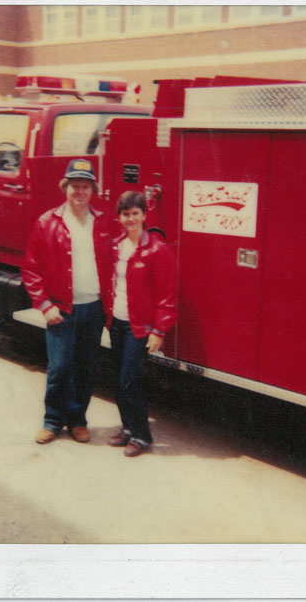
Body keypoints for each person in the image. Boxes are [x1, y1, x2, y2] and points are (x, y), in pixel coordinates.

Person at [21, 159, 111, 445]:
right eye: (74, 186)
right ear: (65, 188)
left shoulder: (104, 221)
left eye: (85, 186)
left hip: (93, 308)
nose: (79, 191)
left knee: (85, 368)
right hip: (62, 309)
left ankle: (77, 420)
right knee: (59, 368)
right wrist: (45, 305)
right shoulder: (48, 222)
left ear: (92, 190)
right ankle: (52, 421)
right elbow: (31, 268)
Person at [107, 191, 177, 457]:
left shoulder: (157, 250)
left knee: (130, 381)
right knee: (118, 379)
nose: (130, 218)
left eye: (135, 213)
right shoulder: (117, 246)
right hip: (117, 323)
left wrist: (159, 330)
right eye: (125, 214)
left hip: (140, 328)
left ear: (144, 215)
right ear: (119, 217)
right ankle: (127, 428)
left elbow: (167, 295)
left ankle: (141, 435)